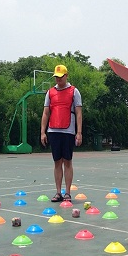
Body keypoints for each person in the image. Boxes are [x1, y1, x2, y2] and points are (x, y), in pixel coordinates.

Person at [40, 64, 83, 202]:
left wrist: (79, 132)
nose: (58, 79)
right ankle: (58, 192)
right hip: (53, 130)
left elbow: (78, 113)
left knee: (67, 161)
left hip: (68, 131)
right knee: (57, 162)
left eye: (60, 77)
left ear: (66, 75)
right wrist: (43, 132)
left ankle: (68, 193)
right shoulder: (50, 92)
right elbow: (46, 113)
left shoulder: (74, 91)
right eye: (56, 77)